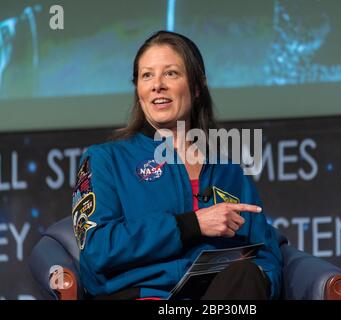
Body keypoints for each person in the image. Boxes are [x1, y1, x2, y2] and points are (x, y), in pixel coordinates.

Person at [71, 30, 283, 300]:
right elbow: (98, 249)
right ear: (138, 91)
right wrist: (190, 225)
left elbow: (266, 255)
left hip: (218, 297)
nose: (157, 85)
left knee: (246, 274)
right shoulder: (105, 159)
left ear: (196, 87)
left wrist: (259, 275)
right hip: (142, 295)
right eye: (147, 75)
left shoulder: (229, 171)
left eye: (171, 73)